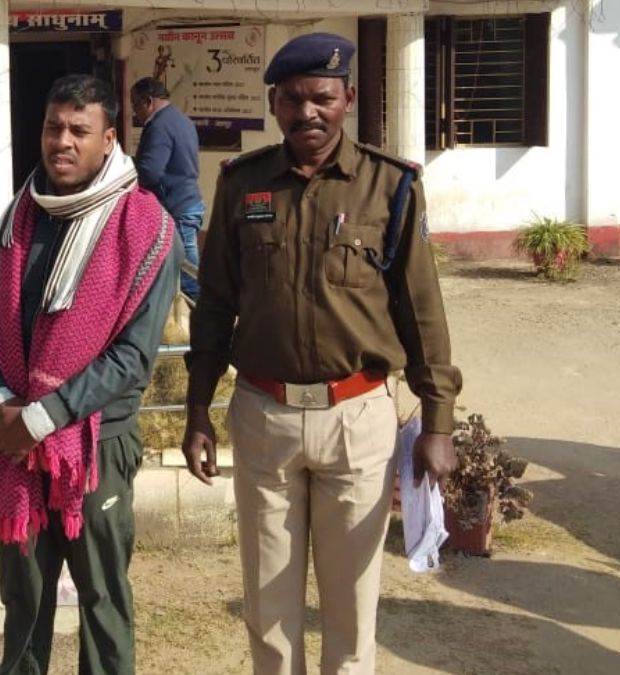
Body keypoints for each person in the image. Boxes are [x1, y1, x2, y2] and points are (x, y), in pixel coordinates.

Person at [181, 33, 462, 675]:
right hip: (265, 417)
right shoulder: (242, 184)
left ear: (348, 99)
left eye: (322, 98)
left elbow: (422, 312)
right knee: (268, 610)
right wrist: (197, 410)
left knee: (351, 611)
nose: (307, 112)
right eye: (292, 99)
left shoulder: (390, 187)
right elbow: (215, 305)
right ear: (274, 104)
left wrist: (438, 422)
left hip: (356, 418)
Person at [0, 73, 180, 675]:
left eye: (78, 131)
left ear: (109, 139)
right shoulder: (20, 216)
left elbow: (132, 358)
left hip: (96, 444)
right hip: (16, 443)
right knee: (24, 598)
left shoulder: (145, 228)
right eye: (52, 127)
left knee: (102, 598)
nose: (61, 141)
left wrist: (42, 417)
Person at [130, 77, 204, 299]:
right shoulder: (182, 119)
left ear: (148, 101)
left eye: (135, 104)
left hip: (176, 206)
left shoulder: (159, 125)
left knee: (187, 276)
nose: (135, 112)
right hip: (188, 202)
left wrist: (127, 169)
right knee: (186, 270)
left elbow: (149, 172)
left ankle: (204, 317)